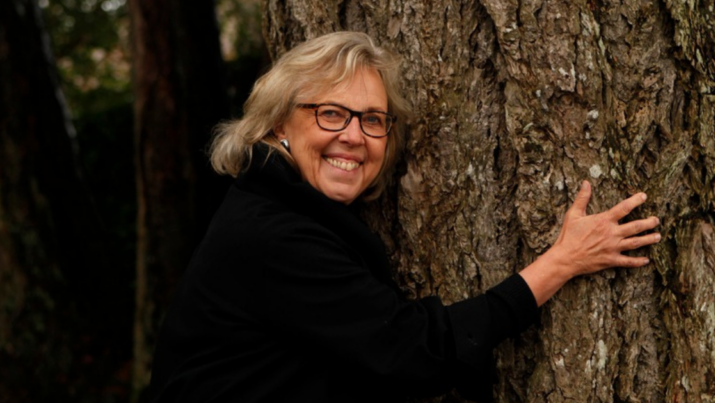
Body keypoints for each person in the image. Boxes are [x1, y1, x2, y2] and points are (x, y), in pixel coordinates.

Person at [148, 31, 661, 403]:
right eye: (331, 113)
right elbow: (417, 353)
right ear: (280, 121)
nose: (354, 136)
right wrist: (563, 261)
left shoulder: (283, 208)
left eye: (373, 120)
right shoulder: (271, 234)